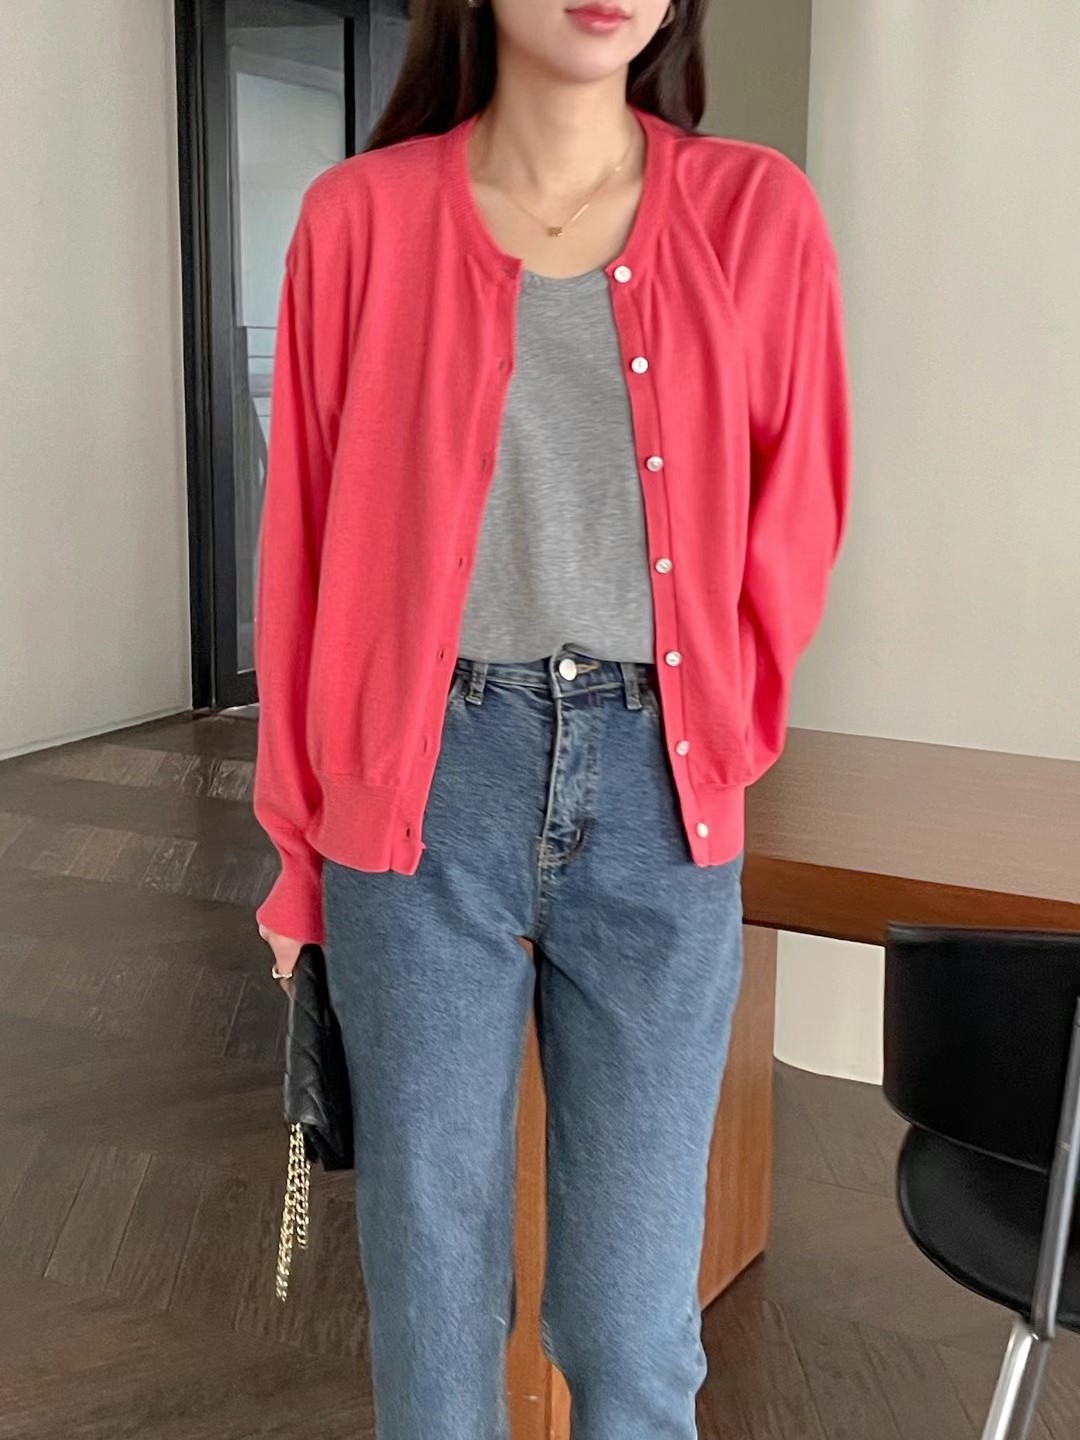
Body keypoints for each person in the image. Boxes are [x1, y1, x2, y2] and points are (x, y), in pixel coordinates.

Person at [253, 0, 850, 1435]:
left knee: (632, 1320)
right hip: (420, 795)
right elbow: (302, 557)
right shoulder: (357, 220)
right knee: (432, 1295)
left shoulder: (757, 214)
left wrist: (717, 734)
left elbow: (802, 512)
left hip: (661, 797)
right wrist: (296, 855)